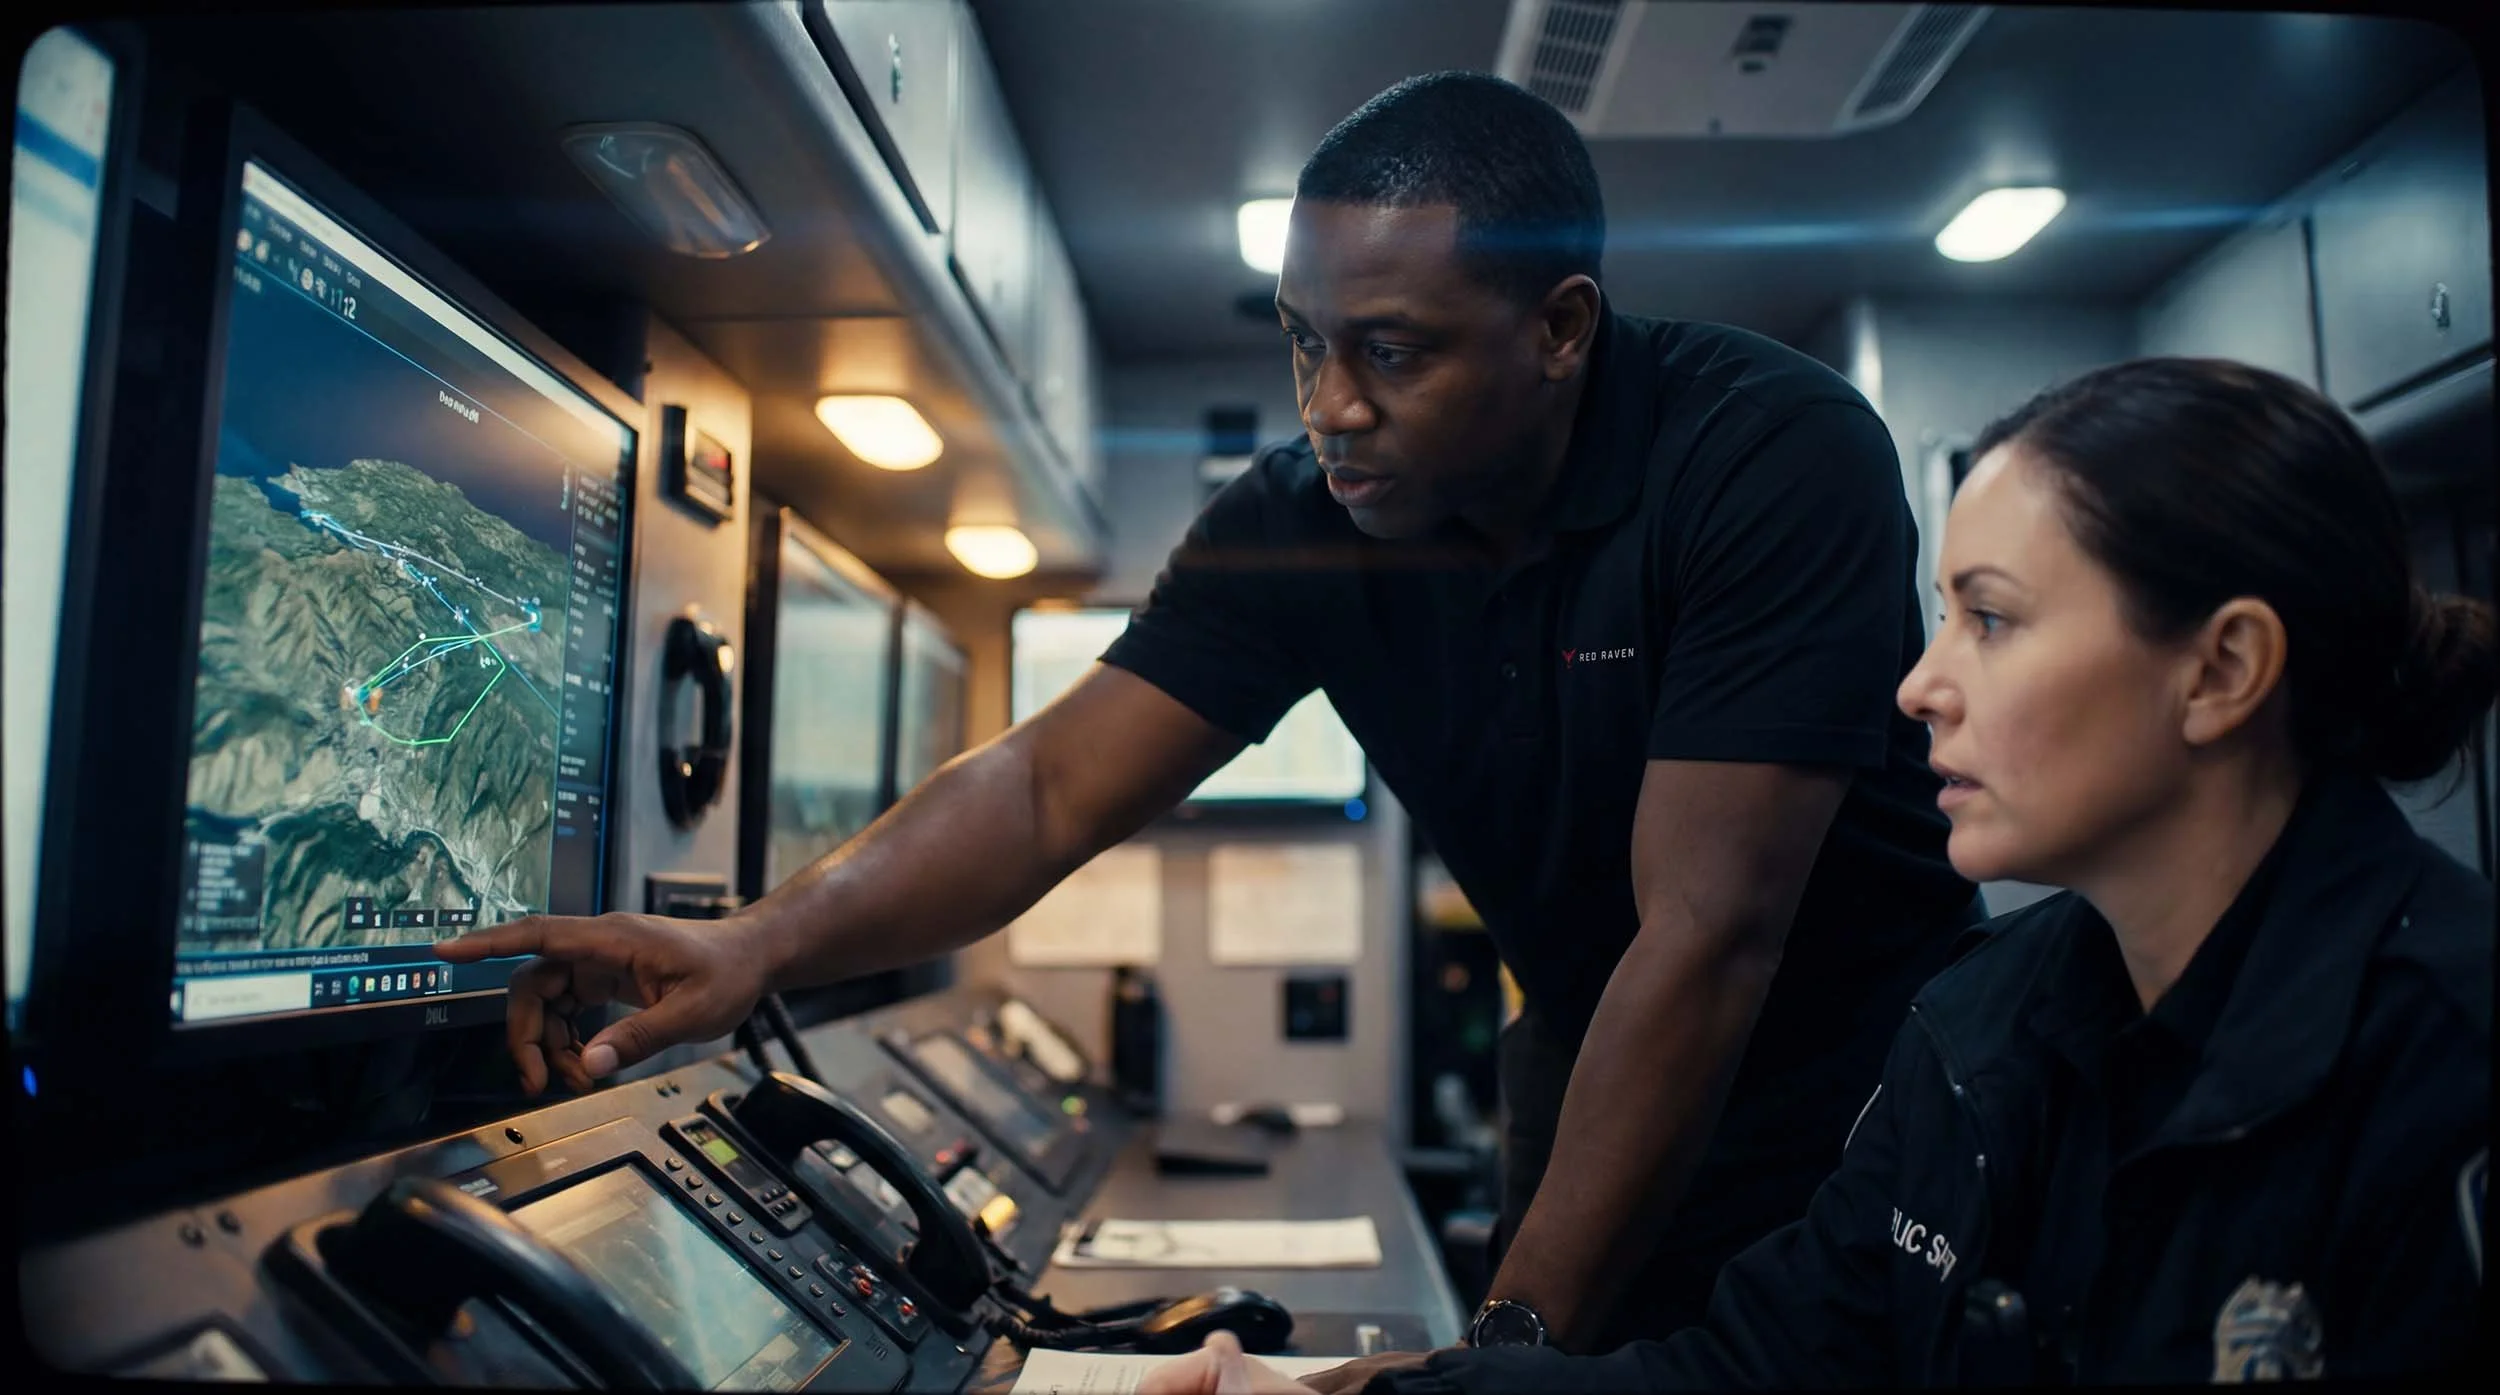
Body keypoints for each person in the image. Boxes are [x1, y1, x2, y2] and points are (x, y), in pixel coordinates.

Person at [439, 72, 1977, 1355]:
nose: (1329, 403)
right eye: (1304, 338)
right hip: (1590, 1059)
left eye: (1391, 351)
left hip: (1857, 1094)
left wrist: (1500, 1354)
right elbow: (1047, 787)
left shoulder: (1765, 457)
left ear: (1561, 328)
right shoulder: (1303, 522)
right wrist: (756, 942)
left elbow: (1707, 936)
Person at [1143, 355, 2495, 1394]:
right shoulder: (1980, 1026)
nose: (1920, 686)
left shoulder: (2446, 1066)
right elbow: (1743, 1371)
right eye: (1942, 615)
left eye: (1992, 620)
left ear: (2221, 669)